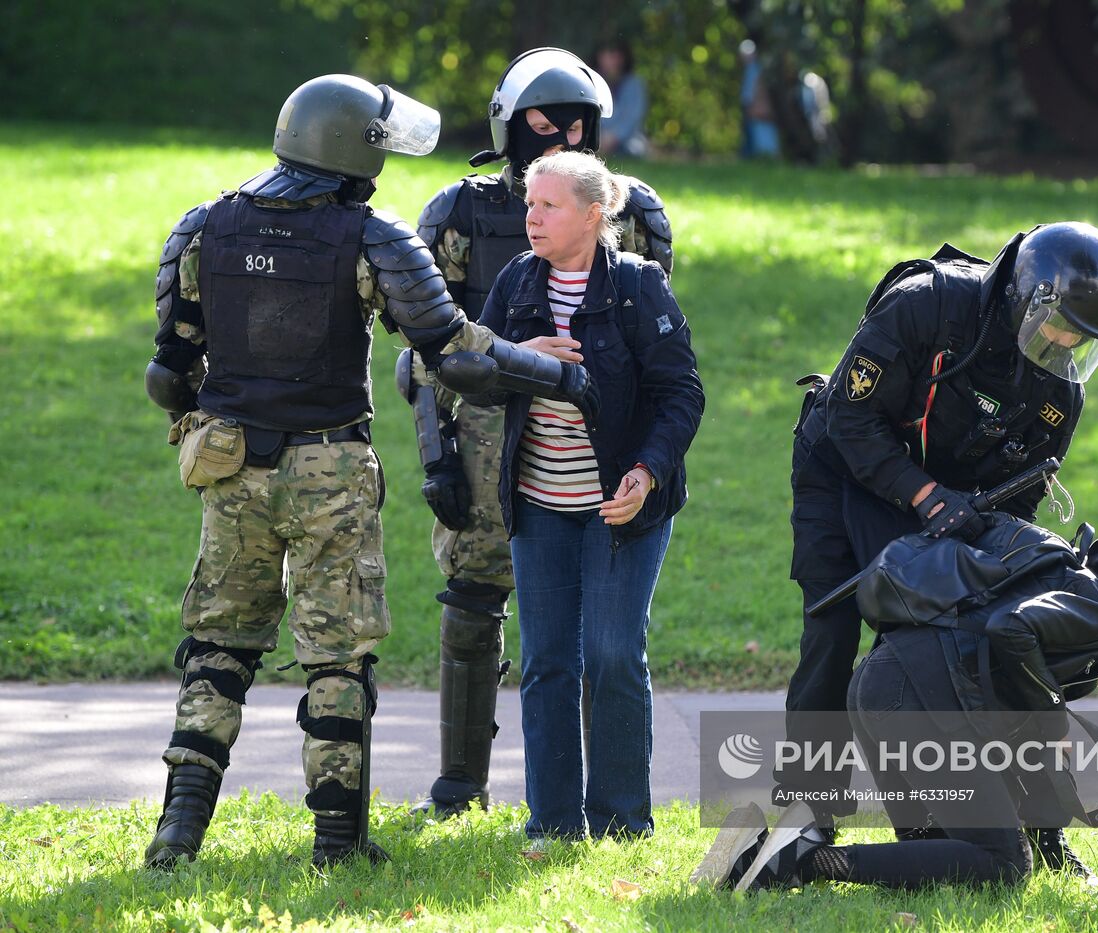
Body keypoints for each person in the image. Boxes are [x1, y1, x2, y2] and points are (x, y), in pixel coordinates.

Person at [141, 74, 597, 870]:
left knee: (216, 646)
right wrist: (558, 376)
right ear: (353, 151)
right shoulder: (370, 235)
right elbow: (454, 356)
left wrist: (217, 415)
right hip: (330, 471)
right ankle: (339, 842)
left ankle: (177, 834)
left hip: (231, 465)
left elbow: (168, 373)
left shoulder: (204, 227)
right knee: (337, 659)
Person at [778, 223, 1098, 876]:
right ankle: (808, 815)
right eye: (1061, 329)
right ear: (1030, 298)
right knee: (831, 632)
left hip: (949, 506)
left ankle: (983, 823)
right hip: (843, 465)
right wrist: (924, 495)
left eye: (1082, 342)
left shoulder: (1061, 393)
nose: (1066, 349)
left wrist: (979, 551)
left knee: (936, 644)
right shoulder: (926, 303)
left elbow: (1016, 506)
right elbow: (851, 419)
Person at [405, 47, 676, 818]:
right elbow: (427, 354)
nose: (558, 135)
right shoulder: (457, 213)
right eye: (541, 124)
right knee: (472, 600)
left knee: (596, 635)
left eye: (575, 125)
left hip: (594, 444)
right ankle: (462, 782)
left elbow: (657, 345)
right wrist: (437, 456)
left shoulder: (633, 212)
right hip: (491, 439)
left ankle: (607, 802)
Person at [699, 514, 1098, 890]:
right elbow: (1012, 628)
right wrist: (1052, 721)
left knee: (935, 861)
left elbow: (1027, 747)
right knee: (1002, 866)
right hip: (913, 704)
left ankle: (754, 855)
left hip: (885, 693)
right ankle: (802, 862)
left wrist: (1054, 845)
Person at [478, 150, 703, 840]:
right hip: (539, 503)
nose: (532, 217)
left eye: (549, 206)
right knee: (547, 660)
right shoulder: (518, 282)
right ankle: (552, 821)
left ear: (594, 214)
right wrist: (520, 358)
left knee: (610, 653)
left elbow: (681, 393)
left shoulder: (638, 286)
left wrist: (647, 473)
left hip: (622, 506)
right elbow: (471, 372)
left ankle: (623, 821)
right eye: (529, 204)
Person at [596, 40, 649, 158]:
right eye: (610, 55)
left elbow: (632, 118)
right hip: (597, 138)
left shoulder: (634, 84)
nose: (614, 60)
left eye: (617, 56)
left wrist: (613, 137)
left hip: (627, 140)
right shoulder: (592, 82)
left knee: (636, 148)